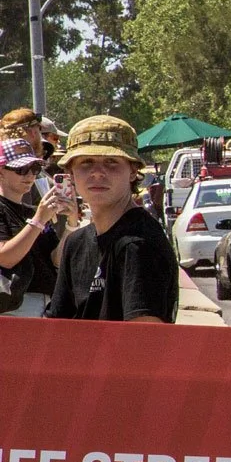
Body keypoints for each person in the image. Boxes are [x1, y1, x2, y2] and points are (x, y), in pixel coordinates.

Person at [46, 116, 179, 323]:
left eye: (111, 162)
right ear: (70, 173)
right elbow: (57, 325)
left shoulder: (138, 244)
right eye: (86, 162)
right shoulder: (75, 243)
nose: (98, 173)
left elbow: (146, 334)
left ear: (133, 171)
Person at [0, 137, 67, 316]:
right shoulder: (37, 214)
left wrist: (72, 224)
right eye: (21, 169)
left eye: (35, 168)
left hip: (46, 302)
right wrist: (38, 220)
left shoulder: (34, 211)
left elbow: (56, 259)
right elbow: (5, 258)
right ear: (1, 172)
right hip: (12, 304)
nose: (30, 175)